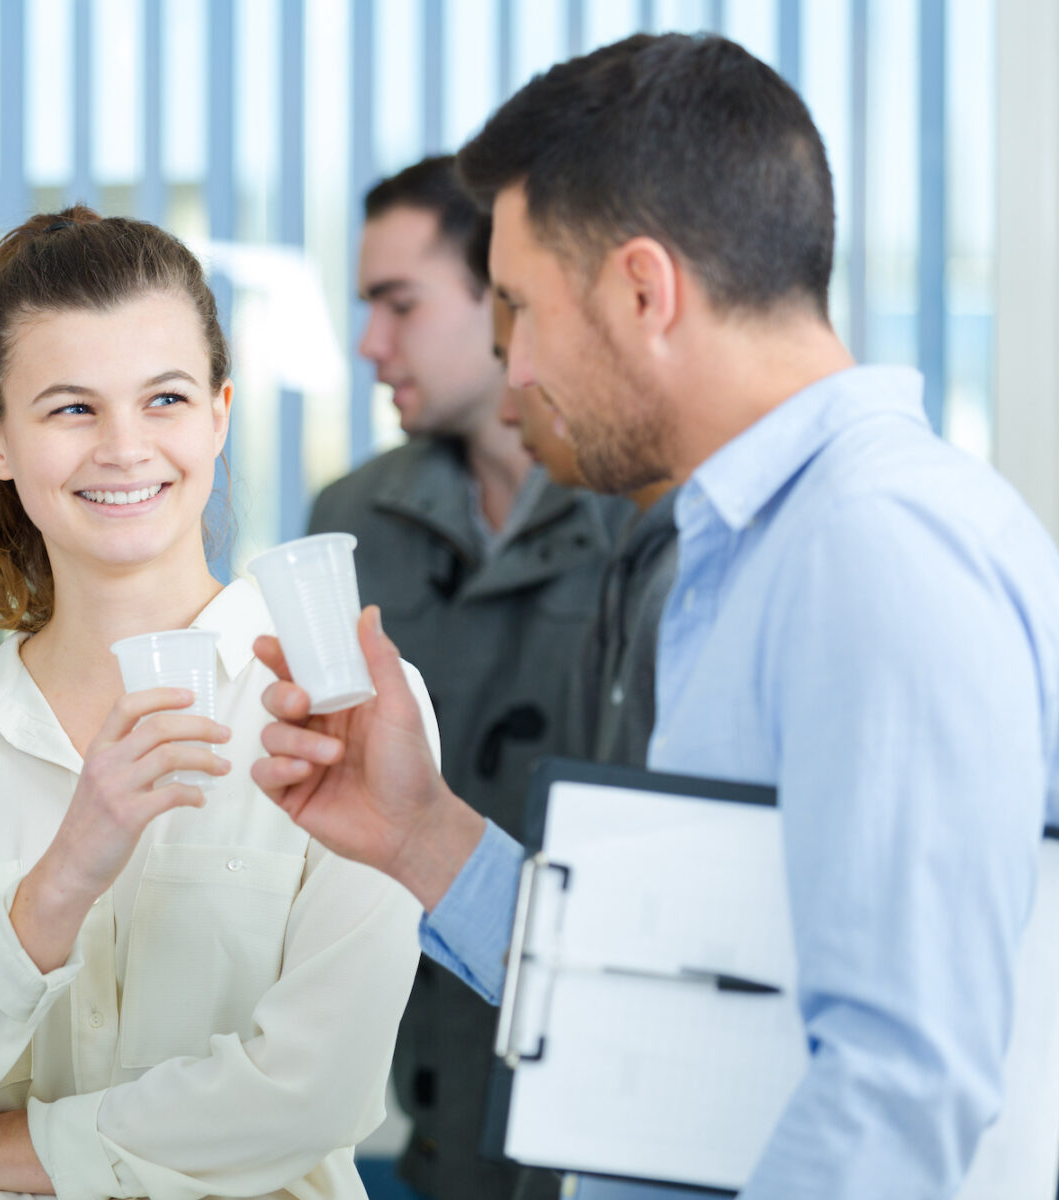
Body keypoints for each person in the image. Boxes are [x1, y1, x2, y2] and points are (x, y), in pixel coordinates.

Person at [251, 32, 1059, 1200]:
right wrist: (417, 829)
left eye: (521, 309)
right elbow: (690, 988)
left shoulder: (874, 552)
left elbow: (896, 1096)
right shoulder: (743, 547)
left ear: (643, 290)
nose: (512, 367)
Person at [0, 207, 431, 1200]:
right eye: (70, 409)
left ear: (219, 415)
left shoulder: (351, 713)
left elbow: (311, 1095)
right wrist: (61, 879)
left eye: (164, 399)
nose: (123, 449)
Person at [309, 155, 614, 1200]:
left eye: (400, 304)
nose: (369, 344)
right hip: (416, 1100)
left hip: (601, 1080)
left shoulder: (644, 526)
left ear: (506, 298)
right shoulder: (349, 523)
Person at [465, 216, 678, 767]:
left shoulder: (703, 571)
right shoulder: (642, 554)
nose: (510, 408)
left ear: (642, 300)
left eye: (533, 331)